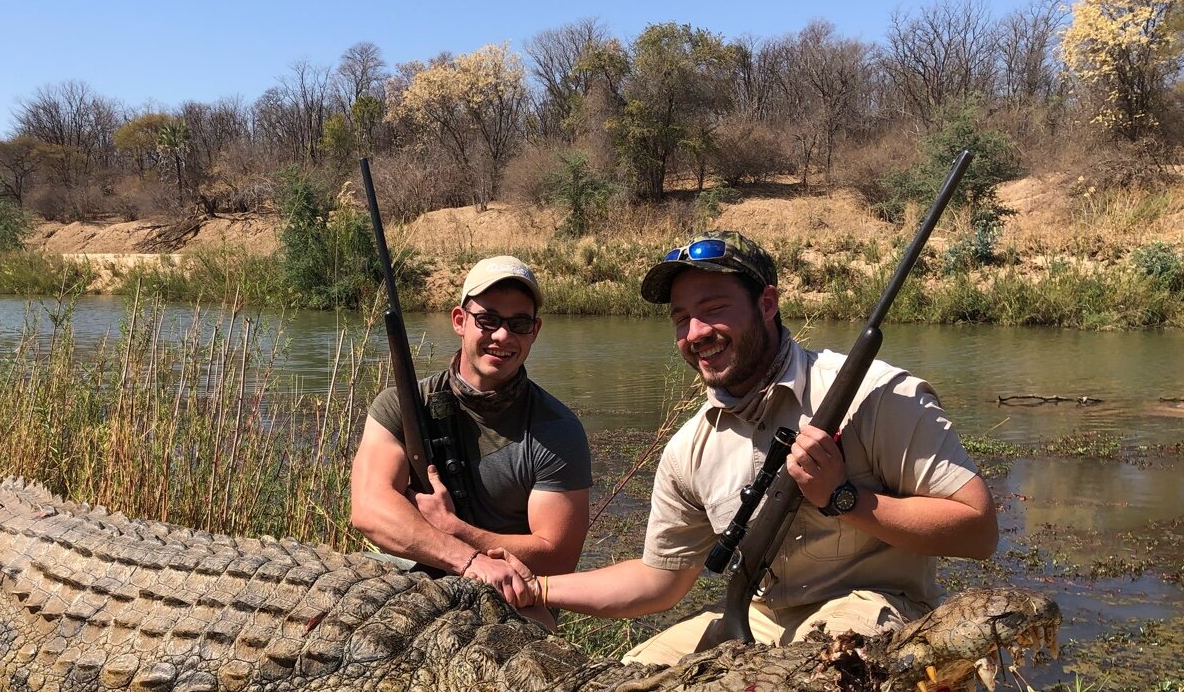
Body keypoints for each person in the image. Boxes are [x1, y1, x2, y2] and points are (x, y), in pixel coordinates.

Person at [493, 230, 997, 662]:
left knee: (812, 671)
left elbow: (979, 532)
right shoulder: (689, 448)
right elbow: (658, 581)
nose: (695, 333)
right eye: (680, 318)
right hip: (761, 620)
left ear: (767, 304)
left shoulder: (877, 395)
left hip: (877, 608)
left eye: (714, 309)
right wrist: (537, 588)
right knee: (628, 684)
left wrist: (845, 499)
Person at [350, 255, 592, 626]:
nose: (502, 336)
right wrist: (466, 559)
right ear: (460, 321)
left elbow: (558, 557)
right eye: (488, 319)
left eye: (519, 323)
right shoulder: (401, 405)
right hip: (422, 566)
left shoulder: (557, 429)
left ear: (535, 330)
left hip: (513, 593)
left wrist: (459, 530)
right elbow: (369, 509)